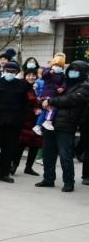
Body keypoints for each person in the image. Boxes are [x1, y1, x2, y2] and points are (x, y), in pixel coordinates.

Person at [35, 60, 89, 192]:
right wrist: (43, 99)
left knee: (65, 156)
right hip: (50, 123)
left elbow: (71, 99)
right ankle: (48, 178)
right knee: (48, 154)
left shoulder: (84, 86)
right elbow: (47, 90)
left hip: (67, 125)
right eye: (71, 69)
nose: (72, 72)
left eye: (76, 70)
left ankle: (68, 182)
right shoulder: (62, 81)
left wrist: (51, 101)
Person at [0, 62, 32, 183]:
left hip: (13, 124)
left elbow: (25, 105)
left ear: (17, 73)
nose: (10, 73)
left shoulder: (22, 85)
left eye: (13, 72)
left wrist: (21, 120)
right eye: (8, 71)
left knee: (9, 150)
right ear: (3, 71)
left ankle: (4, 173)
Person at [12, 70, 43, 177]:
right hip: (25, 120)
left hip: (36, 121)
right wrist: (37, 103)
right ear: (25, 76)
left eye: (33, 75)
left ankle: (29, 167)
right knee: (21, 144)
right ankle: (14, 166)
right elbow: (26, 101)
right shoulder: (22, 87)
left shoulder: (38, 87)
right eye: (29, 75)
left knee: (35, 144)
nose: (31, 77)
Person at [33, 53, 67, 135]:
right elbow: (44, 75)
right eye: (56, 65)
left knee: (45, 111)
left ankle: (38, 125)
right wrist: (50, 72)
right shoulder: (47, 71)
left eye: (60, 66)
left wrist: (62, 88)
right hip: (47, 94)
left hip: (55, 94)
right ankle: (48, 121)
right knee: (51, 109)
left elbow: (64, 83)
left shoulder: (62, 75)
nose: (57, 67)